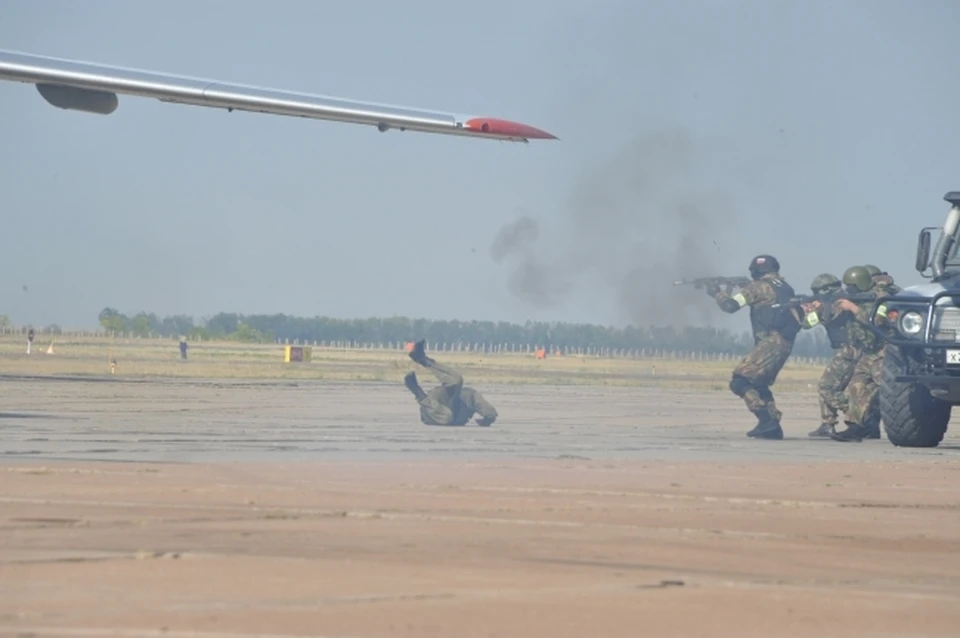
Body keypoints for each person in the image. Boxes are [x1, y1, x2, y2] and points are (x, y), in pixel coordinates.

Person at [708, 254, 801, 440]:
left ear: (755, 271)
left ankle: (767, 420)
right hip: (784, 343)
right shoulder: (785, 287)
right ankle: (772, 426)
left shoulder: (757, 287)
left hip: (769, 342)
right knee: (759, 384)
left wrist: (717, 292)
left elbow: (731, 305)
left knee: (740, 381)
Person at [806, 266, 890, 442]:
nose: (849, 291)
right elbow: (811, 322)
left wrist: (853, 308)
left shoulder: (882, 299)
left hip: (882, 352)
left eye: (852, 287)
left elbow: (878, 320)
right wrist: (819, 308)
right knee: (856, 388)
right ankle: (856, 428)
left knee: (887, 391)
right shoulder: (849, 300)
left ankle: (869, 422)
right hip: (867, 353)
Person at [800, 273, 859, 438]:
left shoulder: (837, 303)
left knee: (827, 387)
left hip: (847, 350)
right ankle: (828, 423)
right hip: (848, 349)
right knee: (832, 386)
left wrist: (811, 311)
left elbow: (806, 324)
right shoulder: (842, 301)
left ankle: (859, 414)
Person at [403, 339, 498, 426]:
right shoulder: (466, 399)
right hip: (435, 407)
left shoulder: (469, 398)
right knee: (457, 381)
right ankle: (423, 362)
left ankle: (423, 361)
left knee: (450, 414)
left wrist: (489, 417)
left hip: (450, 407)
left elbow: (489, 412)